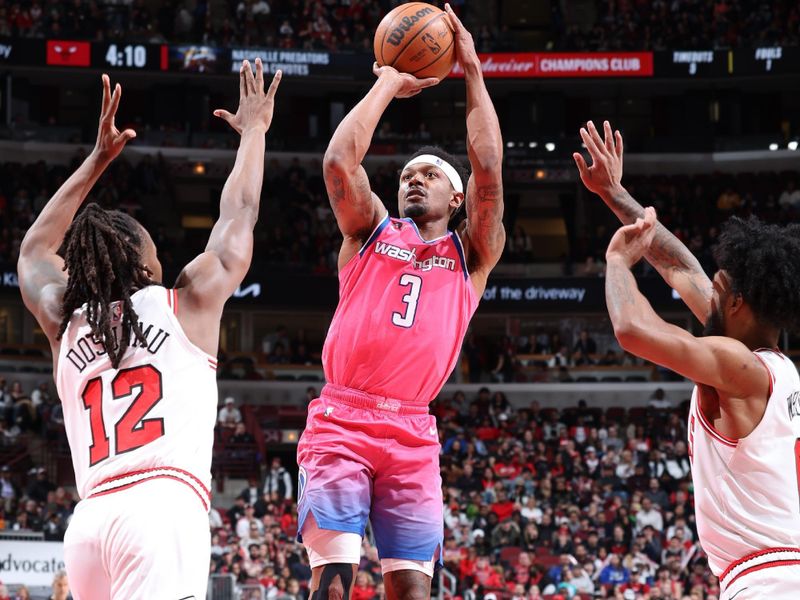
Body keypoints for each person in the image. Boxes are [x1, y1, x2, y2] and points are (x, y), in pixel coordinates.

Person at [17, 62, 282, 599]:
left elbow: (34, 252)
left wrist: (97, 160)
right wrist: (254, 132)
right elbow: (240, 214)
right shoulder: (187, 302)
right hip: (161, 509)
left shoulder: (63, 322)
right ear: (144, 264)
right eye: (156, 252)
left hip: (89, 522)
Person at [296, 6, 505, 599]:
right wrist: (389, 79)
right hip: (343, 416)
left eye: (430, 175)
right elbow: (339, 163)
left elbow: (488, 165)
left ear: (458, 198)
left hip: (413, 433)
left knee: (413, 591)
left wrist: (471, 72)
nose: (414, 179)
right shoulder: (370, 232)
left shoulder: (474, 253)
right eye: (407, 173)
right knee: (333, 583)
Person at [575, 119, 800, 598]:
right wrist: (615, 195)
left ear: (737, 303)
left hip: (769, 582)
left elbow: (633, 329)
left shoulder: (739, 366)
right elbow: (680, 266)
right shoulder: (768, 362)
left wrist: (616, 264)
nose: (706, 292)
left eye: (717, 290)